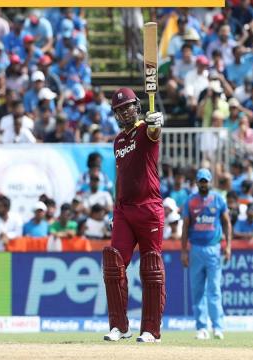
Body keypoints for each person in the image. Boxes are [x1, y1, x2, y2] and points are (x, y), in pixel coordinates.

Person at [102, 87, 165, 343]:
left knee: (151, 267)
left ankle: (151, 330)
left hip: (149, 208)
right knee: (113, 264)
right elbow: (121, 179)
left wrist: (156, 123)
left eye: (127, 106)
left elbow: (154, 132)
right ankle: (119, 326)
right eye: (119, 110)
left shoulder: (145, 131)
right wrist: (115, 210)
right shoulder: (118, 141)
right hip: (124, 210)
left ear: (136, 106)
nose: (124, 112)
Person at [181, 168, 232, 340]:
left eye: (206, 181)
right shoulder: (190, 201)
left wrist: (228, 245)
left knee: (214, 289)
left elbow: (226, 223)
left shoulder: (218, 199)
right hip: (195, 248)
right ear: (197, 182)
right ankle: (202, 327)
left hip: (213, 249)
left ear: (210, 182)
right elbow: (185, 226)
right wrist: (183, 251)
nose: (203, 184)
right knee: (197, 290)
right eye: (201, 181)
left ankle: (218, 327)